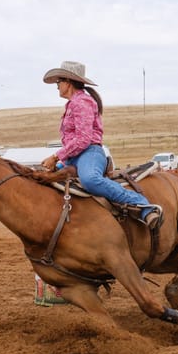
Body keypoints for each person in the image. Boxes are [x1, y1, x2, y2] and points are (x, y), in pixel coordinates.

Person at [40, 61, 163, 229]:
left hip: (89, 153)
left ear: (68, 82)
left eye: (59, 81)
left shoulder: (82, 102)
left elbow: (83, 139)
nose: (57, 86)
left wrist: (55, 156)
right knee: (44, 177)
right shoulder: (72, 103)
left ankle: (143, 205)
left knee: (90, 179)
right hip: (73, 157)